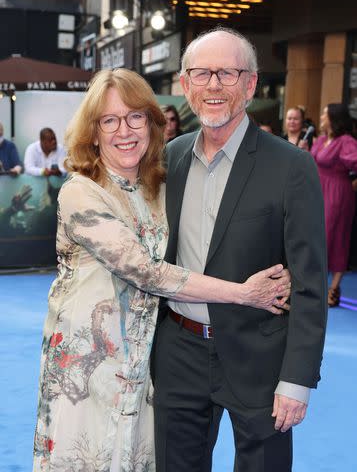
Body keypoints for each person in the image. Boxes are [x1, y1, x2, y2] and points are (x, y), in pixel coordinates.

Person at [32, 68, 291, 472]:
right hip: (89, 366)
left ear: (154, 125)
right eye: (110, 120)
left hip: (143, 363)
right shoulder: (81, 191)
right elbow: (148, 272)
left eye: (136, 117)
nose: (125, 130)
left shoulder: (159, 186)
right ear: (94, 131)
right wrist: (244, 292)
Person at [153, 27, 327, 472]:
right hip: (179, 352)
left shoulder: (292, 166)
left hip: (261, 359)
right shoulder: (168, 159)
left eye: (227, 73)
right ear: (184, 84)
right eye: (201, 73)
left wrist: (297, 379)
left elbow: (309, 282)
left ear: (250, 85)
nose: (213, 85)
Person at [311, 103, 357, 306]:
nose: (321, 116)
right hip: (317, 191)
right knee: (314, 236)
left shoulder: (345, 141)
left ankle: (333, 288)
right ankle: (315, 286)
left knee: (334, 237)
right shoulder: (321, 139)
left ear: (333, 118)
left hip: (337, 193)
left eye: (324, 113)